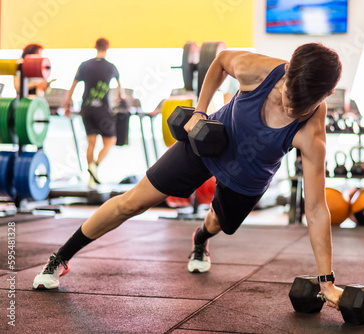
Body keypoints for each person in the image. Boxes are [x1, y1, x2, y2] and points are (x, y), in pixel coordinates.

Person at [33, 43, 345, 310]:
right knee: (132, 202)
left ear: (326, 96)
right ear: (288, 69)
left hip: (247, 176)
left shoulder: (312, 133)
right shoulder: (257, 69)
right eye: (289, 94)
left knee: (219, 223)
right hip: (208, 142)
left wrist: (327, 282)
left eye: (301, 105)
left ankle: (200, 238)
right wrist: (200, 110)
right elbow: (221, 61)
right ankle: (61, 257)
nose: (291, 106)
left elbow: (316, 209)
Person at [63, 38, 123, 186]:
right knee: (110, 141)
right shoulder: (112, 67)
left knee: (91, 143)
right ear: (107, 48)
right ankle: (94, 167)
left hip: (87, 108)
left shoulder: (84, 65)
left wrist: (67, 104)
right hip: (102, 110)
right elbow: (120, 92)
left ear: (95, 46)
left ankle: (91, 178)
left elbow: (73, 86)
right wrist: (120, 98)